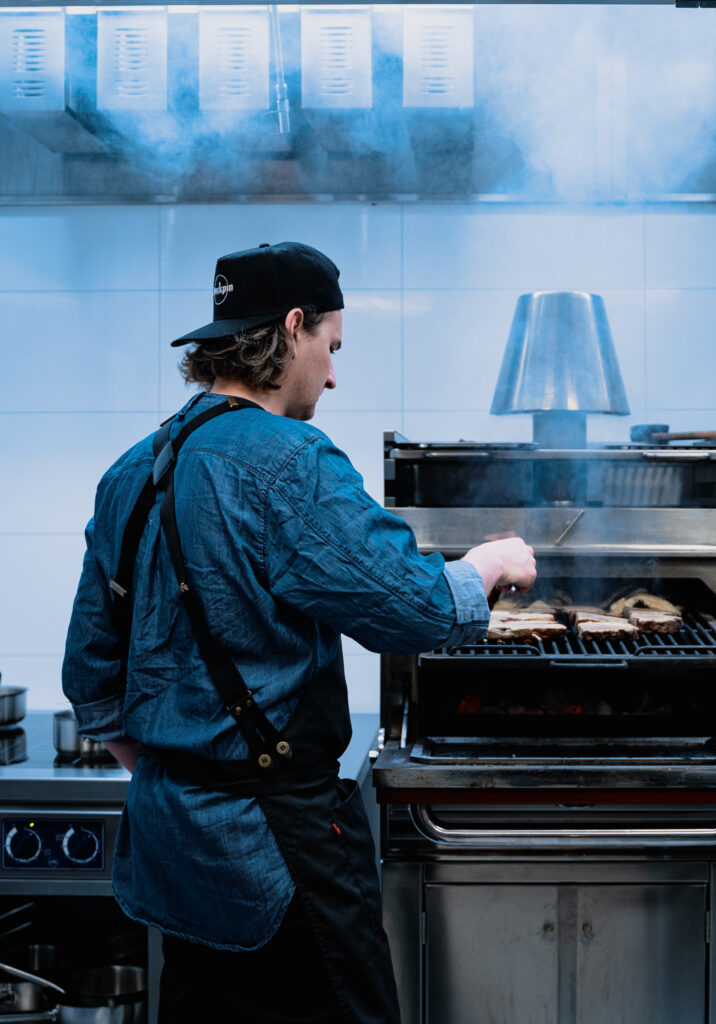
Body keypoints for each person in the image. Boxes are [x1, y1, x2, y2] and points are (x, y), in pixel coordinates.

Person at [62, 241, 537, 1024]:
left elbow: (91, 681)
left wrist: (188, 770)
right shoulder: (290, 462)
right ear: (292, 328)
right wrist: (486, 564)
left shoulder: (133, 471)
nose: (335, 373)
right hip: (278, 853)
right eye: (332, 346)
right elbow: (413, 610)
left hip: (173, 846)